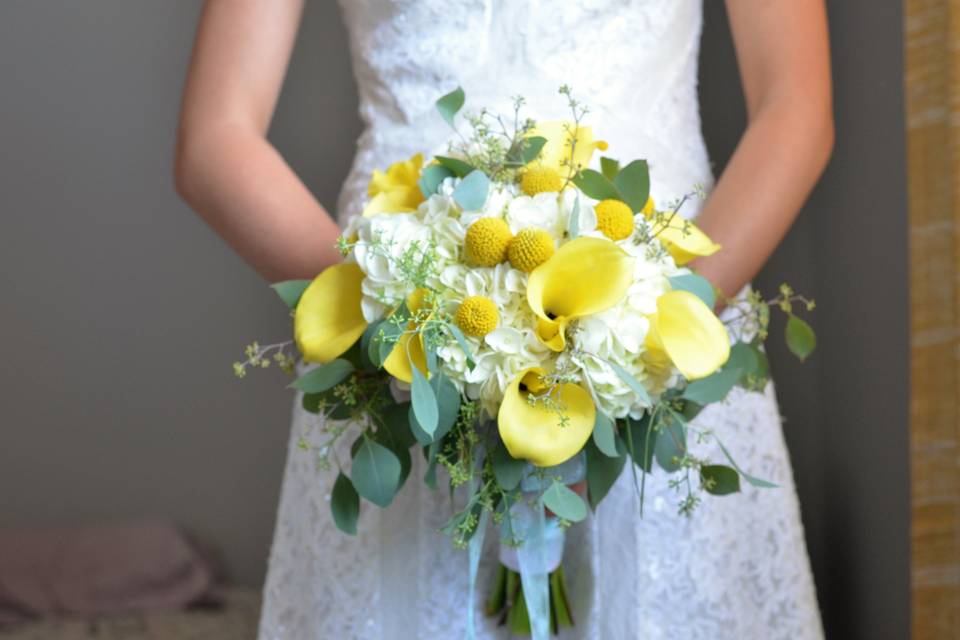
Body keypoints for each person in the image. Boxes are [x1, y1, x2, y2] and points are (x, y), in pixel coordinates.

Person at [176, 1, 833, 638]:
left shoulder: (659, 332)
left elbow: (794, 106)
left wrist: (641, 345)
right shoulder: (393, 337)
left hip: (669, 321)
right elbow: (215, 137)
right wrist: (390, 327)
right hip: (398, 358)